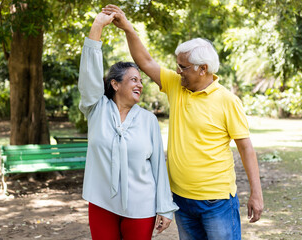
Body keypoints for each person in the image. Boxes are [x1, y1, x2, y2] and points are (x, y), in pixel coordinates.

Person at [102, 5, 264, 240]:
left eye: (183, 67)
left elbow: (246, 148)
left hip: (216, 202)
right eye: (177, 65)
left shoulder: (227, 100)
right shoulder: (176, 86)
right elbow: (144, 60)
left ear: (203, 69)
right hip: (181, 200)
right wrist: (127, 27)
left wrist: (256, 194)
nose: (178, 71)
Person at [78, 12, 178, 240]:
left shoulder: (148, 120)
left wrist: (164, 207)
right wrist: (97, 27)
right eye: (134, 79)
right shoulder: (96, 109)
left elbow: (158, 167)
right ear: (115, 84)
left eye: (141, 81)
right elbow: (89, 77)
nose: (140, 84)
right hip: (102, 202)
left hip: (141, 206)